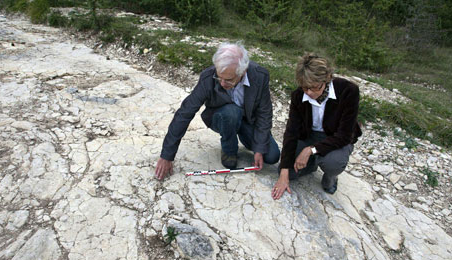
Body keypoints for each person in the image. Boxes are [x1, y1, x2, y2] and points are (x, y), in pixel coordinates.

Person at [155, 42, 280, 180]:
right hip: (221, 117)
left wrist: (259, 149)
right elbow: (185, 112)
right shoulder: (208, 77)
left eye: (228, 80)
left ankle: (243, 135)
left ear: (243, 72)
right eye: (219, 77)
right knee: (231, 113)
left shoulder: (259, 76)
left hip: (248, 120)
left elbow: (264, 113)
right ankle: (229, 150)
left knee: (272, 155)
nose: (222, 83)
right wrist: (167, 155)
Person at [272, 53, 362, 199]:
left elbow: (344, 135)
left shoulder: (348, 91)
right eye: (305, 88)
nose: (309, 93)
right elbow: (291, 132)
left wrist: (310, 150)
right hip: (309, 136)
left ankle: (330, 176)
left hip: (335, 138)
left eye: (314, 88)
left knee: (333, 163)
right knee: (288, 171)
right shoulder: (298, 95)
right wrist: (283, 171)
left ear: (326, 79)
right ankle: (312, 164)